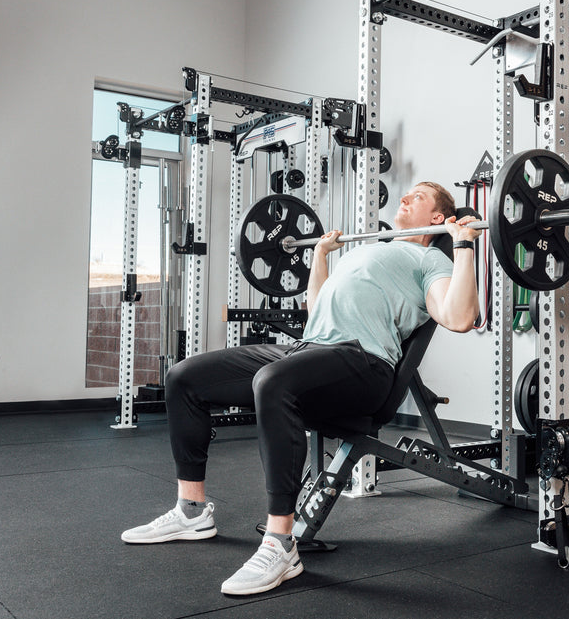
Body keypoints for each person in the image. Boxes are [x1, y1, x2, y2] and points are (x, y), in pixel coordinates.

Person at [120, 181, 480, 596]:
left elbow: (459, 316)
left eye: (418, 196)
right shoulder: (366, 249)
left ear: (438, 218)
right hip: (309, 347)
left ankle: (280, 542)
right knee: (184, 377)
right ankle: (192, 510)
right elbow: (317, 308)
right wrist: (321, 256)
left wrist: (464, 245)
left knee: (272, 382)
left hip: (364, 362)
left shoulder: (430, 258)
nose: (405, 197)